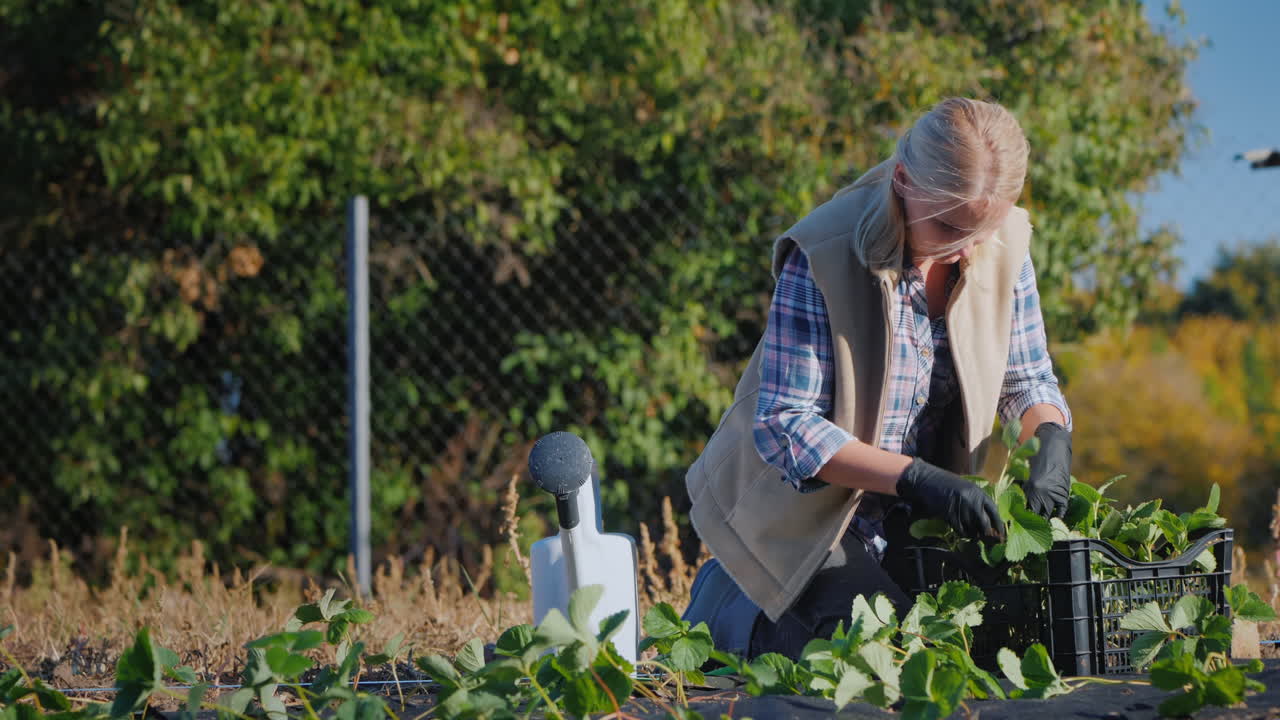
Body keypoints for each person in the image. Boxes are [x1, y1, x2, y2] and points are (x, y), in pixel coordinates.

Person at [680, 97, 1073, 661]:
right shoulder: (824, 252)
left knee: (980, 644)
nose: (967, 247)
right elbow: (786, 426)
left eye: (982, 230)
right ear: (904, 180)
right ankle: (731, 600)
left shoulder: (1001, 238)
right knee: (888, 651)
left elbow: (1027, 377)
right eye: (948, 226)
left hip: (914, 524)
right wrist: (917, 478)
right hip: (806, 519)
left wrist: (1051, 436)